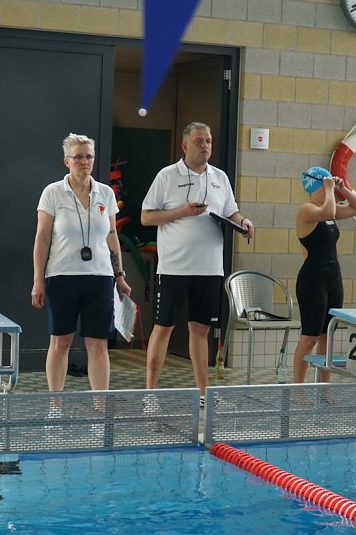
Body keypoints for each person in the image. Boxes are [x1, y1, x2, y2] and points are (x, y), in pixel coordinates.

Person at [141, 122, 254, 405]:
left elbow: (231, 211)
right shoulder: (167, 176)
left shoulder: (220, 178)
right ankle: (150, 394)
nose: (205, 146)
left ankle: (204, 394)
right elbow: (146, 217)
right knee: (163, 327)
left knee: (200, 330)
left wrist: (244, 222)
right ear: (185, 146)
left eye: (209, 141)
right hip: (174, 268)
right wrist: (182, 211)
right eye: (199, 141)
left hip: (209, 268)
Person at [31, 134, 132, 393]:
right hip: (62, 276)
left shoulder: (106, 193)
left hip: (99, 277)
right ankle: (55, 405)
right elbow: (42, 239)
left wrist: (119, 275)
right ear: (67, 161)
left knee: (98, 344)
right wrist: (38, 280)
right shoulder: (53, 193)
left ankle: (100, 407)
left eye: (89, 156)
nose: (84, 162)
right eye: (78, 157)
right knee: (60, 341)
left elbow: (111, 236)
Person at [292, 167, 356, 384]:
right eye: (324, 185)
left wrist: (343, 188)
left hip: (333, 279)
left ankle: (325, 388)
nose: (328, 189)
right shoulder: (307, 210)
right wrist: (330, 189)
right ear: (315, 186)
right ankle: (298, 389)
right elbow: (329, 212)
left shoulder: (328, 209)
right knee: (310, 338)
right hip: (313, 281)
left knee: (327, 336)